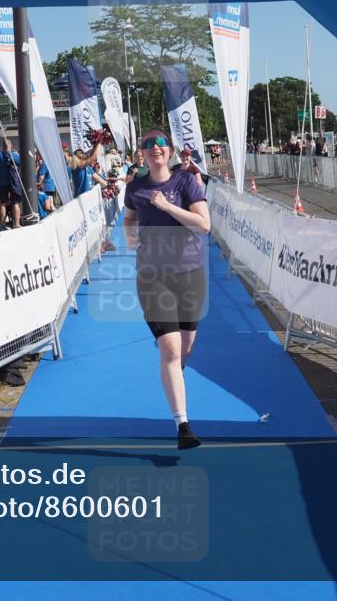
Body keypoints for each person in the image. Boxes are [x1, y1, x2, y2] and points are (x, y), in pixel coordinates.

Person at [123, 130, 211, 450]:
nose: (155, 148)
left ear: (170, 151)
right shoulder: (135, 188)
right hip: (151, 275)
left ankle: (174, 372)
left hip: (189, 272)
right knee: (171, 350)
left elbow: (204, 225)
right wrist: (130, 236)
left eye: (161, 144)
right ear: (141, 154)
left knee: (185, 347)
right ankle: (183, 425)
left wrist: (168, 207)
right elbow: (130, 217)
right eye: (149, 145)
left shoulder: (186, 182)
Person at [0, 137, 23, 229]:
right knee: (15, 203)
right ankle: (16, 224)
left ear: (2, 146)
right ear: (11, 146)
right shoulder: (16, 156)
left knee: (2, 203)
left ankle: (2, 225)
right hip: (14, 182)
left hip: (3, 182)